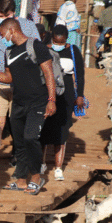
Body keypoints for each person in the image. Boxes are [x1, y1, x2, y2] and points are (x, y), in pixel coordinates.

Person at [0, 18, 56, 195]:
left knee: (31, 138)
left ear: (11, 31)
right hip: (19, 103)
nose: (2, 39)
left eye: (2, 35)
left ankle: (37, 178)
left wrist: (51, 99)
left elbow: (49, 74)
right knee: (20, 142)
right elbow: (9, 78)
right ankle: (21, 180)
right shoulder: (9, 52)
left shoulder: (36, 46)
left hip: (38, 102)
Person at [0, 0, 40, 184]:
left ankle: (21, 167)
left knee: (18, 126)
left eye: (6, 15)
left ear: (14, 12)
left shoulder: (28, 27)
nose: (2, 19)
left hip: (20, 84)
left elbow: (36, 52)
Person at [40, 24, 85, 181]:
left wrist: (79, 95)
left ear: (66, 40)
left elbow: (79, 75)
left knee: (62, 129)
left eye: (61, 42)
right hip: (47, 90)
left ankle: (58, 167)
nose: (57, 45)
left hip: (66, 93)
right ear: (52, 38)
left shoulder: (73, 51)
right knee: (44, 127)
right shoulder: (45, 49)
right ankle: (42, 163)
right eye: (55, 41)